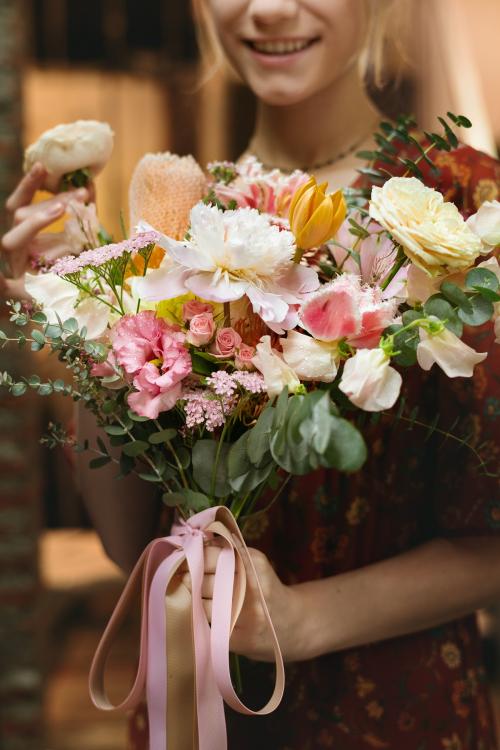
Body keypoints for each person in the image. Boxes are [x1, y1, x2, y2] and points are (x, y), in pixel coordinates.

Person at [2, 1, 499, 748]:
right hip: (194, 708)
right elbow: (128, 539)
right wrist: (79, 319)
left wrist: (304, 620)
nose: (267, 8)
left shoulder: (463, 210)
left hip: (390, 712)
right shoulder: (172, 214)